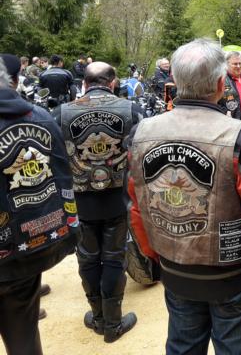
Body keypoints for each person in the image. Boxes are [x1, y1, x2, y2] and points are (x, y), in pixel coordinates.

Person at [128, 38, 241, 355]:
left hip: (175, 268)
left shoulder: (142, 133)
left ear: (176, 81)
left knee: (183, 346)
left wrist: (155, 255)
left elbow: (135, 207)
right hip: (233, 276)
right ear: (220, 84)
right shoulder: (240, 138)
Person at [54, 62, 145, 343]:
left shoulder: (60, 113)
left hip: (80, 200)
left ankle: (98, 317)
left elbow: (56, 158)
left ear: (84, 83)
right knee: (114, 257)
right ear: (113, 83)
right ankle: (113, 324)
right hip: (118, 198)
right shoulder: (132, 110)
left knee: (87, 257)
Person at [0, 55, 78, 355]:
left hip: (18, 251)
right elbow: (63, 177)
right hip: (22, 252)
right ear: (12, 81)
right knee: (23, 336)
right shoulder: (41, 116)